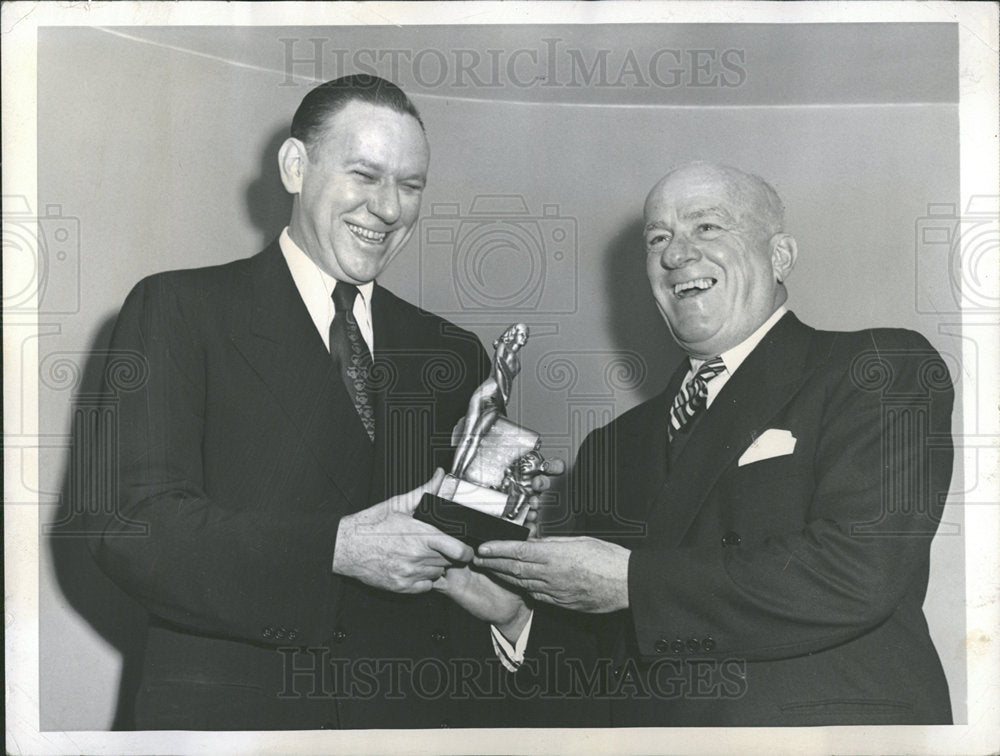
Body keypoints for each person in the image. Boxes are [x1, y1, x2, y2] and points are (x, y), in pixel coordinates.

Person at [86, 75, 550, 730]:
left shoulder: (453, 353)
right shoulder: (180, 311)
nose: (388, 208)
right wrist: (336, 547)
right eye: (365, 174)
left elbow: (464, 574)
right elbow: (132, 527)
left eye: (410, 185)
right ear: (295, 166)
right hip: (237, 726)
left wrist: (509, 568)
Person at [476, 162, 955, 726]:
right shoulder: (613, 445)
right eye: (658, 238)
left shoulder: (876, 367)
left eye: (706, 228)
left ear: (780, 257)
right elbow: (605, 667)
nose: (675, 255)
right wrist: (516, 615)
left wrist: (632, 581)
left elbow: (859, 571)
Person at [451, 322, 529, 481]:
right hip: (486, 393)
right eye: (522, 334)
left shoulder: (517, 363)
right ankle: (453, 474)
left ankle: (460, 477)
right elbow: (500, 366)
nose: (525, 338)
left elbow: (508, 379)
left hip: (497, 401)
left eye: (526, 336)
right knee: (468, 435)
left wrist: (504, 396)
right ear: (513, 333)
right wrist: (505, 394)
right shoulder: (502, 347)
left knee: (478, 439)